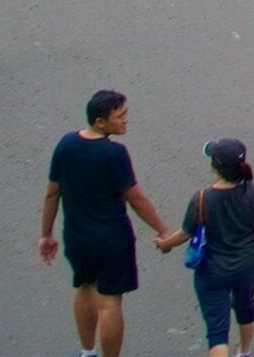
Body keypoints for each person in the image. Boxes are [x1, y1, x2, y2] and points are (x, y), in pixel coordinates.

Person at [39, 88, 174, 357]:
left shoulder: (66, 144)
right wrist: (162, 230)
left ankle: (87, 352)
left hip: (77, 238)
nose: (125, 120)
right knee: (110, 303)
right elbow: (135, 198)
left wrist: (46, 234)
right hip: (113, 240)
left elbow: (52, 192)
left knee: (84, 288)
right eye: (120, 116)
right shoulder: (114, 154)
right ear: (100, 122)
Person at [168, 137, 254, 357]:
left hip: (212, 271)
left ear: (215, 167)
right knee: (245, 307)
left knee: (217, 332)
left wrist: (164, 243)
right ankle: (244, 351)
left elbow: (184, 234)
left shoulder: (201, 199)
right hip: (247, 265)